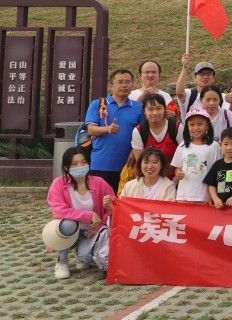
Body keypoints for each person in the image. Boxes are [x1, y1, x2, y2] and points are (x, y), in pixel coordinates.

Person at [46, 147, 115, 279]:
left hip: (90, 231)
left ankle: (81, 255)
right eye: (74, 164)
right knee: (68, 224)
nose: (80, 166)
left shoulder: (99, 182)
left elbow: (112, 206)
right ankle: (62, 261)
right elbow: (59, 210)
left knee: (87, 258)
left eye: (84, 162)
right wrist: (89, 215)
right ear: (66, 167)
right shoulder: (58, 184)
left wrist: (98, 227)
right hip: (70, 230)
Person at [84, 69, 144, 192]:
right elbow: (90, 130)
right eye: (120, 82)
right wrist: (107, 129)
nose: (124, 85)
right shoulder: (97, 105)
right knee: (99, 199)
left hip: (128, 165)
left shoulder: (138, 108)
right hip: (101, 163)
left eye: (128, 82)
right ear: (111, 86)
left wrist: (134, 152)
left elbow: (142, 134)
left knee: (123, 200)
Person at [171, 108, 221, 203]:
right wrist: (178, 173)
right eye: (192, 124)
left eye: (200, 124)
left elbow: (218, 171)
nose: (195, 128)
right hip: (184, 195)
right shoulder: (182, 146)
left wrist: (214, 195)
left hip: (204, 196)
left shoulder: (214, 146)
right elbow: (178, 167)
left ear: (207, 125)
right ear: (187, 126)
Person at [130, 93, 181, 179]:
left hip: (175, 178)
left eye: (159, 108)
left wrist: (174, 181)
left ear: (165, 109)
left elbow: (184, 155)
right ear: (144, 111)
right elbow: (140, 162)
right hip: (150, 178)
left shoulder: (176, 127)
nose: (155, 113)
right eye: (150, 109)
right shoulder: (139, 131)